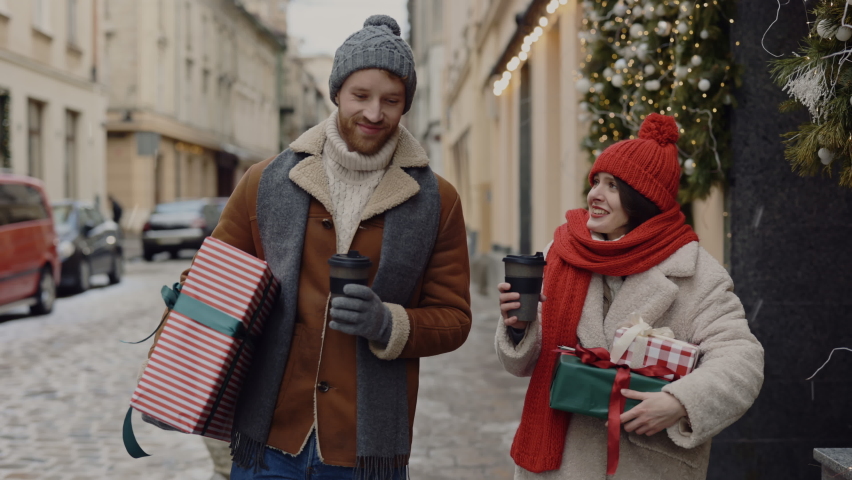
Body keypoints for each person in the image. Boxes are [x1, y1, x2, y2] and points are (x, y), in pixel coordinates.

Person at [146, 14, 471, 480]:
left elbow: (455, 319)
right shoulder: (265, 181)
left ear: (407, 105)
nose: (374, 113)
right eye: (360, 96)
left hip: (364, 444)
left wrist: (389, 322)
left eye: (391, 100)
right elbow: (209, 279)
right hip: (269, 432)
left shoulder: (437, 200)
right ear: (336, 91)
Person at [495, 113, 764, 479]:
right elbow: (523, 365)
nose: (595, 195)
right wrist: (517, 326)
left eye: (612, 186)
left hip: (646, 463)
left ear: (644, 200)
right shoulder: (562, 252)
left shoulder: (696, 272)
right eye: (596, 181)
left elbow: (742, 360)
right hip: (562, 464)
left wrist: (680, 402)